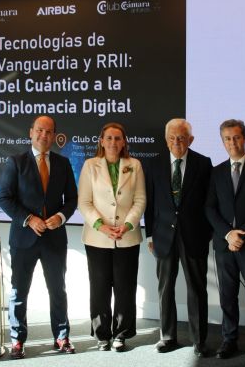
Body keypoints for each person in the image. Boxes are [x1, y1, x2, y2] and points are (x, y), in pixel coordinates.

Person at [0, 115, 78, 359]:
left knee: (58, 290)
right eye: (40, 130)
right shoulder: (15, 162)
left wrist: (61, 217)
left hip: (54, 238)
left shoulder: (63, 163)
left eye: (49, 131)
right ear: (31, 132)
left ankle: (61, 336)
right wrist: (29, 219)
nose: (44, 135)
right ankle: (17, 340)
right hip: (24, 238)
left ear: (54, 136)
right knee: (19, 291)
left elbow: (72, 200)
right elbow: (4, 198)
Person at [144, 118, 213, 357]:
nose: (177, 142)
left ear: (190, 140)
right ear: (166, 140)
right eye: (172, 138)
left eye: (182, 138)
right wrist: (150, 235)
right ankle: (167, 336)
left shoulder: (204, 164)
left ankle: (199, 341)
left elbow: (209, 202)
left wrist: (207, 233)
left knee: (197, 289)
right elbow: (150, 203)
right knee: (165, 289)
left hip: (194, 236)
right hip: (163, 237)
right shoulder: (153, 164)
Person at [205, 119, 245, 362]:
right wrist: (228, 234)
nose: (232, 142)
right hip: (224, 244)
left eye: (236, 137)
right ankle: (229, 339)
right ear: (222, 141)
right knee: (227, 295)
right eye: (227, 138)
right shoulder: (216, 171)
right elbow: (209, 207)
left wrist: (241, 234)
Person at [77, 122, 146, 352]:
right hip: (97, 238)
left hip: (127, 236)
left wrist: (127, 225)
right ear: (101, 141)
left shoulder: (135, 165)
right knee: (99, 288)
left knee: (125, 288)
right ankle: (102, 335)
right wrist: (101, 226)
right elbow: (84, 202)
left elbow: (140, 200)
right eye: (109, 138)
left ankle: (121, 334)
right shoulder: (90, 165)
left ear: (124, 142)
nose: (113, 142)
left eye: (117, 138)